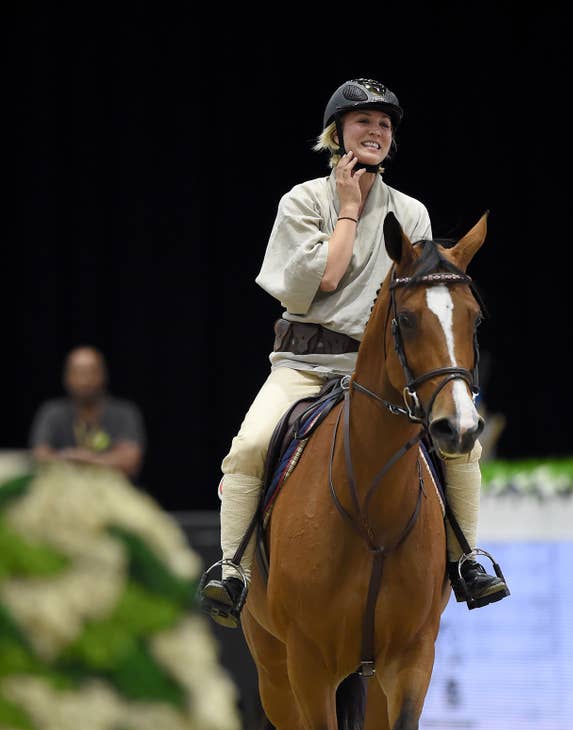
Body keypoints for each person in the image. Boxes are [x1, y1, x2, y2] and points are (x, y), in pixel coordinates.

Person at [201, 78, 509, 627]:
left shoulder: (410, 212)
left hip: (380, 374)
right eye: (363, 121)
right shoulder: (302, 201)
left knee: (461, 447)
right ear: (337, 134)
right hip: (303, 367)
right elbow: (321, 280)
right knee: (248, 446)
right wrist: (347, 209)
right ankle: (234, 569)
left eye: (385, 124)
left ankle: (467, 559)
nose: (376, 131)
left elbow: (420, 296)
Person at [29, 345, 146, 481]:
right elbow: (39, 456)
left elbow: (130, 462)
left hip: (112, 491)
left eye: (90, 371)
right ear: (67, 377)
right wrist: (104, 460)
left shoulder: (124, 412)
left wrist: (86, 460)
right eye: (77, 372)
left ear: (102, 375)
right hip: (63, 489)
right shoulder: (52, 412)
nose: (84, 379)